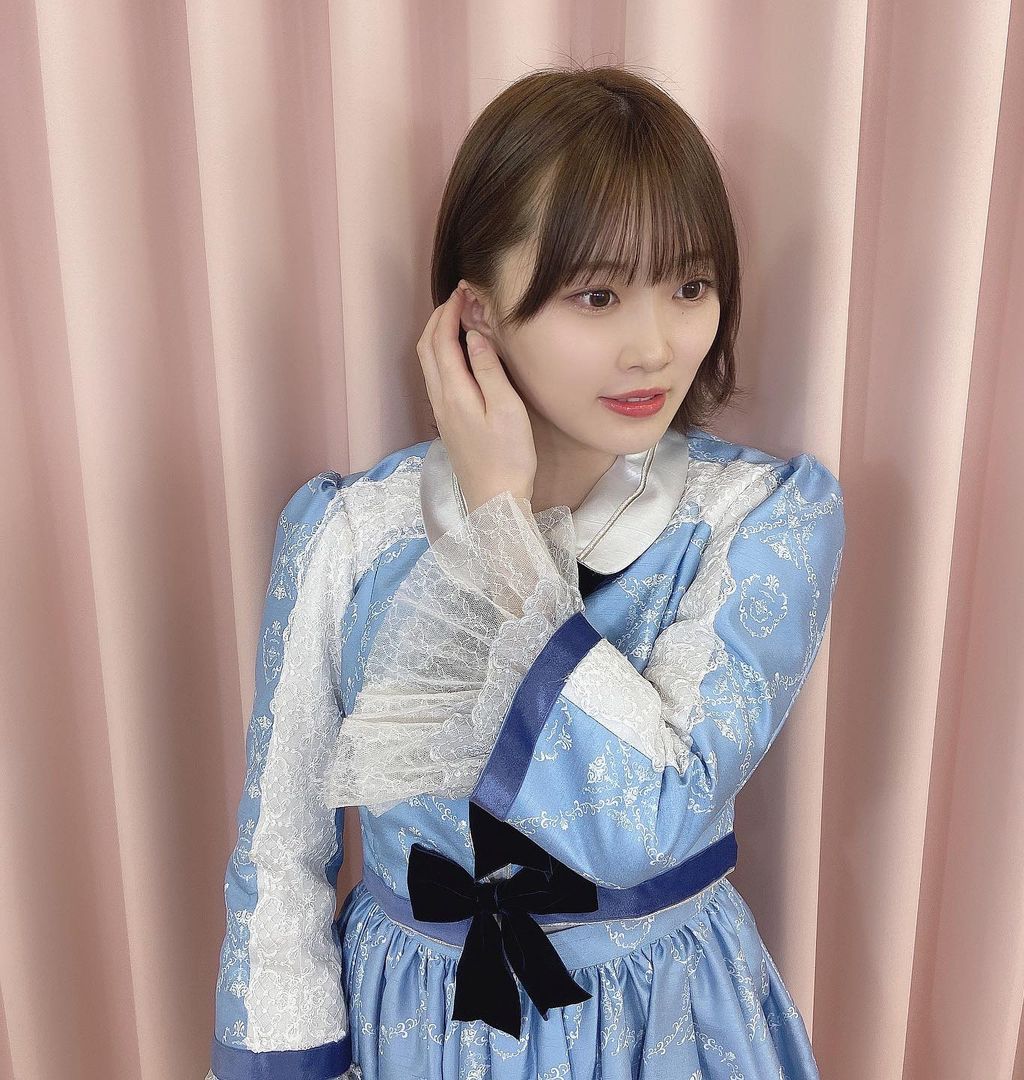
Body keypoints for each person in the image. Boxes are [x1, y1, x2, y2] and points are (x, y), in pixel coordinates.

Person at [206, 64, 845, 1080]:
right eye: (598, 295)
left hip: (664, 1018)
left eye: (690, 286)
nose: (655, 347)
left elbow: (650, 821)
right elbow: (280, 857)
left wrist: (503, 530)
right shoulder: (352, 533)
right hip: (416, 1025)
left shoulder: (757, 521)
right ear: (477, 311)